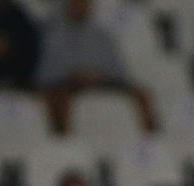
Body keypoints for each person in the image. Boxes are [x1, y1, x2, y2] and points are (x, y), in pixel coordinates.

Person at [34, 0, 155, 134]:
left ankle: (150, 143)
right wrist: (75, 75)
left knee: (142, 95)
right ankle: (67, 146)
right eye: (77, 3)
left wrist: (99, 76)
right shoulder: (54, 33)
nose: (81, 7)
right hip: (69, 85)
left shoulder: (101, 34)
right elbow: (46, 74)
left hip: (101, 82)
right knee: (59, 99)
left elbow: (119, 72)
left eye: (85, 3)